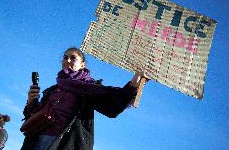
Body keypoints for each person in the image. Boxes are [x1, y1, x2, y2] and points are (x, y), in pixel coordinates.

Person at [20, 47, 148, 150]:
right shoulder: (52, 90)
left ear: (82, 65)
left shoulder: (91, 88)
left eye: (73, 58)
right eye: (65, 57)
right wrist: (30, 101)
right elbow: (30, 115)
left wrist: (134, 83)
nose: (67, 60)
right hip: (38, 140)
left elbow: (113, 108)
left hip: (68, 143)